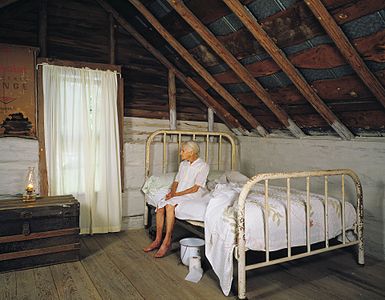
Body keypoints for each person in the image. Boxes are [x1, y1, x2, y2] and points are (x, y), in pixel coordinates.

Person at [143, 141, 209, 258]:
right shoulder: (183, 164)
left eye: (183, 151)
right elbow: (176, 181)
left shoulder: (203, 166)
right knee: (161, 205)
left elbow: (195, 188)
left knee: (169, 206)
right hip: (180, 192)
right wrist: (173, 193)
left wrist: (177, 194)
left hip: (194, 194)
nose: (180, 153)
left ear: (191, 152)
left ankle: (167, 241)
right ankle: (158, 240)